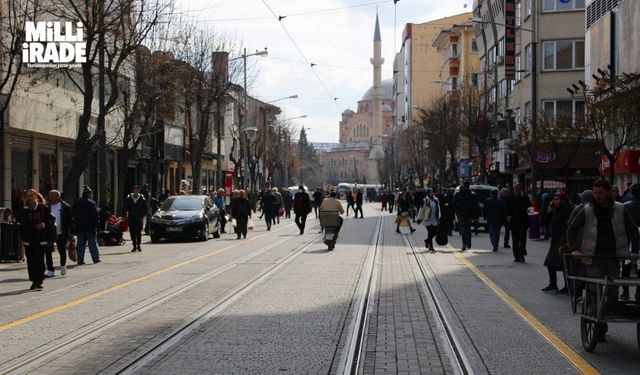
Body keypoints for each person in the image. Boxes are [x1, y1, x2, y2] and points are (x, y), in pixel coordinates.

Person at [568, 180, 639, 326]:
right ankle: (597, 320)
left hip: (614, 256)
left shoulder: (620, 209)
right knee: (596, 288)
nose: (597, 196)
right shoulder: (588, 209)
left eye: (600, 192)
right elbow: (572, 228)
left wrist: (634, 250)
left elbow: (633, 230)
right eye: (595, 193)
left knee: (612, 290)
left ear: (608, 192)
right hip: (592, 257)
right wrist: (574, 248)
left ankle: (606, 313)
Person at [16, 189, 55, 290]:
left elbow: (52, 219)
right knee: (31, 260)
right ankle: (33, 280)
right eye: (27, 196)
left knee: (39, 259)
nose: (28, 198)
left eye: (31, 196)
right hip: (28, 239)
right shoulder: (24, 209)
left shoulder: (42, 208)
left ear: (35, 197)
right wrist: (24, 209)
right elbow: (19, 219)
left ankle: (39, 281)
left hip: (40, 238)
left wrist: (43, 224)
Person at [542, 192, 573, 293]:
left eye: (558, 199)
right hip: (555, 240)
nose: (555, 201)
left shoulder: (566, 211)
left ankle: (567, 286)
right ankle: (553, 283)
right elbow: (547, 222)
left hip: (561, 241)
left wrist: (564, 241)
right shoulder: (556, 210)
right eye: (554, 199)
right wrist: (549, 211)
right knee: (550, 263)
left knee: (564, 265)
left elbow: (566, 226)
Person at [44, 190, 73, 277]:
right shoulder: (46, 206)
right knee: (48, 252)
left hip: (61, 232)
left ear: (58, 197)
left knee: (62, 250)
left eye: (52, 196)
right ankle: (50, 270)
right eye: (49, 196)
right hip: (50, 233)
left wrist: (71, 231)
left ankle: (63, 265)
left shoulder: (65, 206)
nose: (50, 198)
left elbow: (70, 221)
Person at [72, 186, 101, 264]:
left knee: (80, 245)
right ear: (88, 194)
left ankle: (80, 260)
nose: (91, 195)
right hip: (90, 227)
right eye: (90, 194)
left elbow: (74, 215)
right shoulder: (91, 203)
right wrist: (96, 225)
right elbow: (95, 216)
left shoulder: (77, 203)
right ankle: (96, 259)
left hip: (80, 228)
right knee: (92, 244)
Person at [622, 183, 640, 300]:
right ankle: (638, 293)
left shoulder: (625, 206)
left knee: (625, 265)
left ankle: (625, 292)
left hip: (628, 238)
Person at [505, 183, 530, 262]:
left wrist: (523, 196)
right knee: (515, 240)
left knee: (522, 240)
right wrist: (507, 216)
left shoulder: (524, 197)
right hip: (514, 223)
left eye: (519, 189)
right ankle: (516, 256)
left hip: (523, 222)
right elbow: (506, 208)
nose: (517, 191)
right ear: (514, 189)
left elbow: (528, 204)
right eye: (516, 189)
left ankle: (522, 255)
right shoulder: (510, 198)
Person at [453, 181, 479, 251]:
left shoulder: (458, 194)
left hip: (461, 214)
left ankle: (464, 244)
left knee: (463, 229)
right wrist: (475, 216)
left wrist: (457, 209)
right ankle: (469, 243)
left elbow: (453, 203)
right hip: (469, 215)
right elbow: (476, 206)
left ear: (464, 185)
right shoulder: (472, 195)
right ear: (469, 186)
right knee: (468, 229)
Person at [124, 185, 148, 252]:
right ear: (133, 191)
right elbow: (126, 207)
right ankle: (134, 245)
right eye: (135, 190)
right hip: (131, 218)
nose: (136, 191)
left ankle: (139, 245)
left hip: (139, 218)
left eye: (137, 190)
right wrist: (127, 213)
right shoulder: (129, 198)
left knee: (138, 232)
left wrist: (141, 215)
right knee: (132, 232)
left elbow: (145, 208)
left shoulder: (141, 198)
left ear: (139, 191)